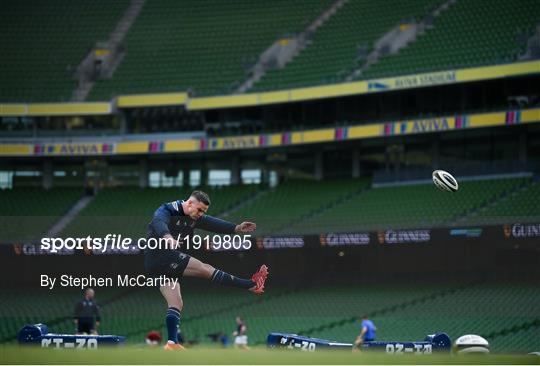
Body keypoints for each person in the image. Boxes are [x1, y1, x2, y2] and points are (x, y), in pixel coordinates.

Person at [144, 190, 269, 351]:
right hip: (162, 255)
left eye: (204, 211)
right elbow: (158, 221)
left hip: (156, 264)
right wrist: (167, 237)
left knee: (176, 302)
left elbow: (212, 223)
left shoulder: (193, 216)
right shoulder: (167, 210)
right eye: (200, 210)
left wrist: (237, 228)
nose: (201, 214)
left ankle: (171, 343)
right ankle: (250, 284)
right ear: (189, 203)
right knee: (205, 269)